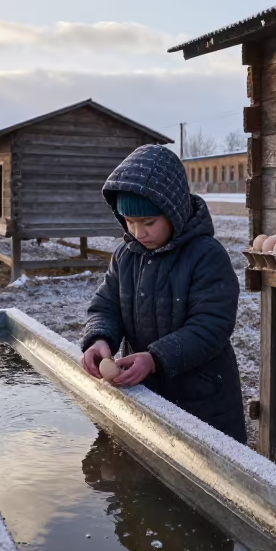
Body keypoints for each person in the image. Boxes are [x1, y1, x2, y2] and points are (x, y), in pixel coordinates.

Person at [80, 144, 247, 442]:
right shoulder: (126, 255)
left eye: (148, 222)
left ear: (174, 211)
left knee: (206, 474)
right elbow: (107, 305)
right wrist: (100, 338)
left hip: (201, 396)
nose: (138, 233)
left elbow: (211, 325)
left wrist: (156, 358)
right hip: (144, 388)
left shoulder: (206, 256)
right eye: (129, 222)